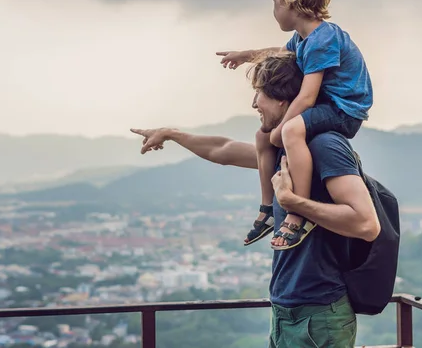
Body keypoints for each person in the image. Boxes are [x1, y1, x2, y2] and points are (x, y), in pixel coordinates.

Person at [131, 52, 380, 348]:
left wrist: (292, 202)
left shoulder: (324, 145)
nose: (253, 104)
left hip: (319, 313)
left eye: (258, 94)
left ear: (283, 101)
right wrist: (172, 134)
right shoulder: (287, 150)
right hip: (287, 308)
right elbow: (223, 150)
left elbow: (366, 224)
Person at [216, 0, 374, 250]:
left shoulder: (322, 39)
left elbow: (307, 97)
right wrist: (245, 55)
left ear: (289, 1)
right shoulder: (303, 39)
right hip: (329, 106)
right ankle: (267, 209)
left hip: (343, 111)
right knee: (262, 136)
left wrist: (282, 129)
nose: (274, 11)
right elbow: (280, 53)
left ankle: (297, 212)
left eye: (275, 3)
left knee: (287, 133)